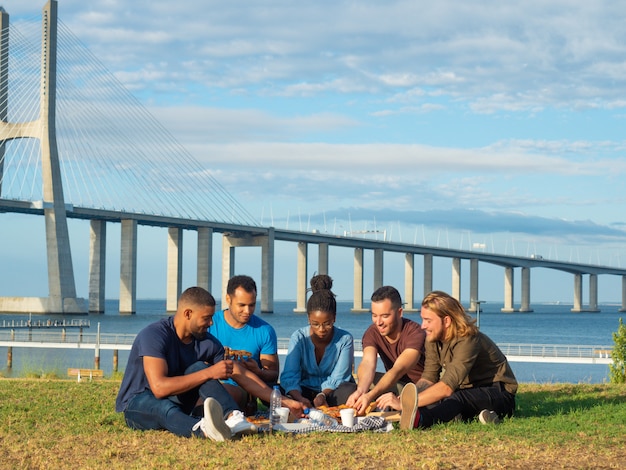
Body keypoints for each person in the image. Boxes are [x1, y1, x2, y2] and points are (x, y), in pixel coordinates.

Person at [115, 286, 303, 441]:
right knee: (166, 405)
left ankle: (233, 418)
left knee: (199, 367)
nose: (211, 323)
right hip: (139, 402)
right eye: (206, 318)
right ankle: (202, 430)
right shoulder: (155, 335)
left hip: (178, 401)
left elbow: (241, 374)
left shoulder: (206, 341)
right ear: (188, 313)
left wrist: (284, 401)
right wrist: (210, 372)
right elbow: (159, 389)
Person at [379, 290, 517, 429]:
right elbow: (429, 378)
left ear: (446, 321)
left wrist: (406, 404)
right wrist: (404, 398)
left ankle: (421, 421)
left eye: (428, 320)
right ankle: (481, 416)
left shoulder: (468, 339)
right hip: (466, 392)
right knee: (435, 398)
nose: (423, 326)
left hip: (499, 392)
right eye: (422, 319)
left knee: (455, 399)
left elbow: (446, 387)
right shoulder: (432, 338)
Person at [346, 285, 426, 416]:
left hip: (420, 388)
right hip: (396, 385)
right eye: (374, 315)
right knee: (350, 387)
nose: (378, 322)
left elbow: (397, 369)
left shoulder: (415, 333)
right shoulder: (372, 332)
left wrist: (370, 395)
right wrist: (361, 391)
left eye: (384, 316)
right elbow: (367, 363)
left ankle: (404, 409)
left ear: (400, 312)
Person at [280, 274, 355, 408]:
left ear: (334, 318)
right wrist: (299, 397)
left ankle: (318, 403)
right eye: (315, 324)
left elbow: (339, 377)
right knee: (275, 391)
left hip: (332, 392)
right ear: (308, 319)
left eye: (327, 324)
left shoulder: (345, 339)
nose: (321, 329)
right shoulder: (298, 337)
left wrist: (322, 395)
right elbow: (290, 374)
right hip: (304, 391)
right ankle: (301, 403)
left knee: (350, 391)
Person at [209, 275, 279, 410]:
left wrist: (258, 372)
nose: (247, 311)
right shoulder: (210, 324)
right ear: (228, 299)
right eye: (241, 305)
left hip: (242, 390)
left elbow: (273, 374)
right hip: (209, 384)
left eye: (252, 305)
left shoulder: (265, 331)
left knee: (225, 393)